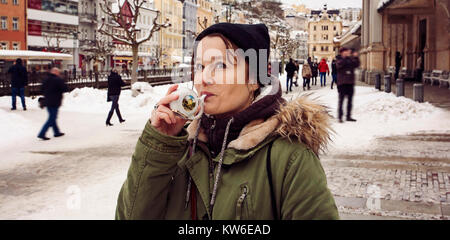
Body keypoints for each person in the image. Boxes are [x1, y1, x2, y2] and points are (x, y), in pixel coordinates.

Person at [115, 23, 339, 220]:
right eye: (200, 67)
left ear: (254, 79)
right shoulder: (179, 145)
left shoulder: (290, 158)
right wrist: (159, 145)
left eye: (221, 66)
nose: (203, 78)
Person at [38, 68, 69, 141]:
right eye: (58, 72)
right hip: (55, 101)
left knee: (52, 117)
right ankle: (42, 133)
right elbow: (65, 88)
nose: (59, 74)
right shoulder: (57, 80)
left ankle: (56, 132)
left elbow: (41, 89)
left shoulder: (46, 79)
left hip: (47, 101)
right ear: (56, 73)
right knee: (52, 118)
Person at [336, 48, 360, 123]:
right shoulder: (339, 59)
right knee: (341, 100)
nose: (347, 53)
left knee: (350, 100)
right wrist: (345, 57)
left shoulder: (350, 59)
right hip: (342, 83)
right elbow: (339, 66)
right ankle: (340, 117)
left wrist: (355, 57)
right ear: (342, 53)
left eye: (347, 52)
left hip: (350, 82)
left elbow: (356, 64)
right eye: (345, 52)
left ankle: (348, 116)